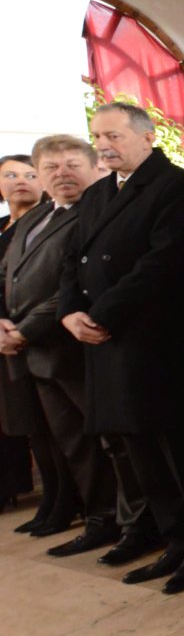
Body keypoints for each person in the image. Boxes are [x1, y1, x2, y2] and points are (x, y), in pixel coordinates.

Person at [59, 102, 184, 592]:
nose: (103, 145)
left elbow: (163, 261)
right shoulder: (98, 192)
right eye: (98, 136)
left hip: (158, 344)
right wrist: (69, 311)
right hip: (107, 342)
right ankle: (173, 541)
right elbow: (72, 259)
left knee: (181, 453)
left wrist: (102, 313)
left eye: (113, 135)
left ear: (147, 137)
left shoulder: (175, 185)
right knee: (141, 453)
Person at [1, 137, 119, 556]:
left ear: (93, 167)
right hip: (37, 353)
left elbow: (71, 288)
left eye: (71, 164)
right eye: (50, 167)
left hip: (74, 346)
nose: (61, 174)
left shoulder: (99, 212)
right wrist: (4, 322)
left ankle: (123, 519)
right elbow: (8, 273)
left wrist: (25, 329)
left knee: (107, 441)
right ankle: (99, 517)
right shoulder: (37, 215)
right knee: (72, 442)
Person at [0, 155, 44, 515]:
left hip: (29, 329)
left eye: (30, 174)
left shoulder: (45, 222)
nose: (20, 181)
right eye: (10, 175)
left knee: (39, 419)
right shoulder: (2, 226)